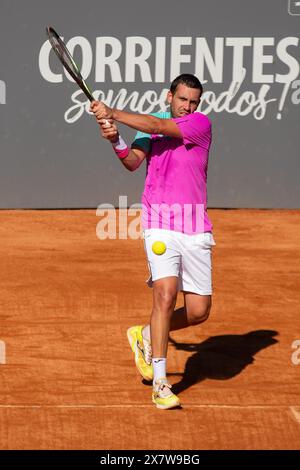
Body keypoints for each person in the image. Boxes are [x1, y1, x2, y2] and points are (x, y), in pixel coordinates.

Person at [91, 74, 215, 410]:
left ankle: (144, 334)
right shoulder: (149, 130)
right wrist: (115, 140)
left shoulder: (199, 124)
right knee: (165, 293)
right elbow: (132, 163)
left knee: (199, 311)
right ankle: (161, 382)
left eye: (193, 101)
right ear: (169, 96)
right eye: (182, 100)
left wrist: (112, 112)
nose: (187, 106)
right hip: (159, 223)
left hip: (195, 226)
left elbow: (156, 124)